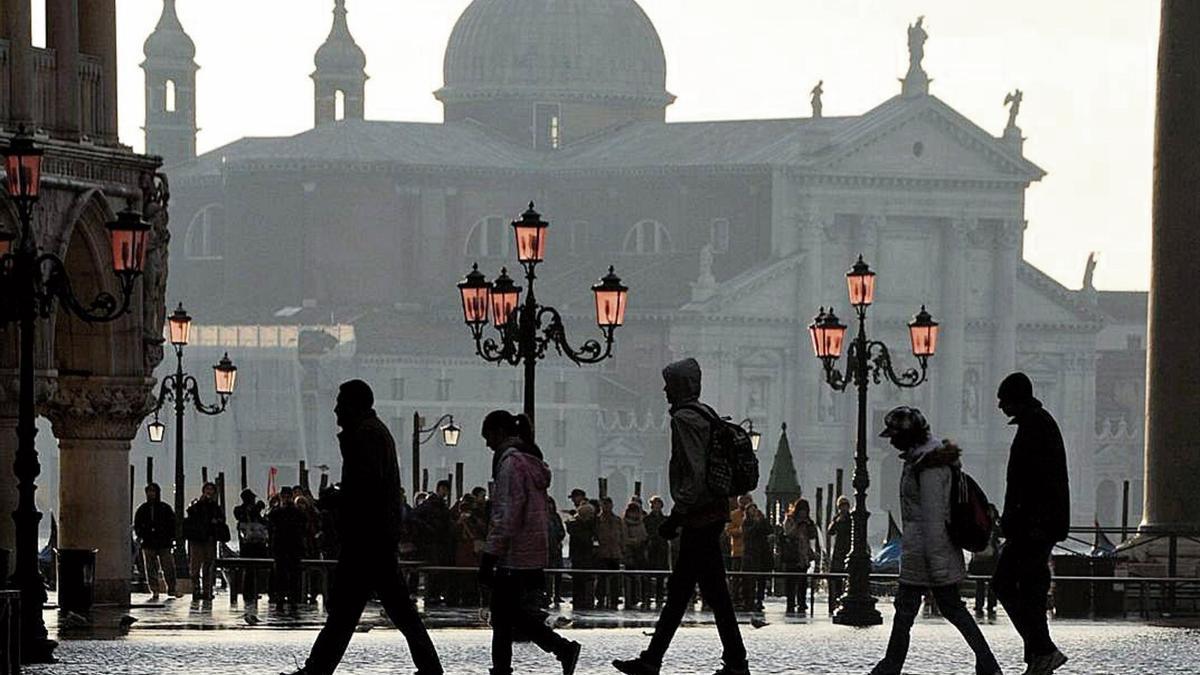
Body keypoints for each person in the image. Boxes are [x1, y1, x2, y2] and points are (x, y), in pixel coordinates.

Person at [282, 380, 442, 675]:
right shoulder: (374, 432)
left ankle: (316, 669)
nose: (335, 409)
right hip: (375, 536)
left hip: (366, 539)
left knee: (349, 612)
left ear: (354, 405)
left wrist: (337, 498)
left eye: (341, 402)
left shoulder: (365, 436)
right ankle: (429, 668)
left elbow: (365, 488)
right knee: (382, 611)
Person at [612, 358, 749, 675]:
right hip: (712, 512)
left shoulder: (685, 419)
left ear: (682, 386)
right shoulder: (707, 413)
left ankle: (659, 660)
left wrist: (677, 515)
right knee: (702, 591)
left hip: (698, 516)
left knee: (691, 592)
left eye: (669, 383)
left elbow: (694, 471)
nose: (664, 389)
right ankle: (728, 660)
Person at [868, 406, 1002, 675]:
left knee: (937, 611)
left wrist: (936, 564)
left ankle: (986, 662)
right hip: (923, 551)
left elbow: (932, 518)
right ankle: (985, 662)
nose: (892, 442)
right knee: (927, 612)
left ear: (909, 436)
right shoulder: (921, 461)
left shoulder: (928, 468)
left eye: (895, 436)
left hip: (927, 554)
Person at [477, 410, 582, 675]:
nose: (487, 444)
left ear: (499, 432)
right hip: (532, 550)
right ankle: (511, 665)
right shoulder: (531, 462)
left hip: (513, 553)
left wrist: (490, 554)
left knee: (506, 614)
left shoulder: (510, 465)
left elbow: (507, 514)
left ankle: (559, 648)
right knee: (506, 614)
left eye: (488, 437)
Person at [993, 372, 1070, 675]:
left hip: (1033, 527)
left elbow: (1034, 484)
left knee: (1003, 583)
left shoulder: (1036, 427)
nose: (1000, 406)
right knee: (1032, 591)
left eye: (1003, 400)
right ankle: (1038, 659)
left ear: (1015, 398)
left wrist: (1017, 521)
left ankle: (1044, 650)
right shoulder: (1037, 423)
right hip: (1035, 524)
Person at [184, 481, 228, 606]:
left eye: (211, 490)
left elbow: (221, 520)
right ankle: (196, 589)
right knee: (195, 567)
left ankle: (207, 591)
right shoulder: (196, 505)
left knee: (208, 566)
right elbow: (191, 515)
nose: (209, 492)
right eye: (207, 489)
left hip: (209, 539)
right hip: (197, 540)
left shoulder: (216, 508)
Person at [133, 483, 177, 601]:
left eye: (153, 491)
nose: (151, 494)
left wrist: (171, 537)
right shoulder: (142, 509)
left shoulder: (165, 508)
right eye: (149, 492)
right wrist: (142, 534)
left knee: (168, 566)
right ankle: (155, 589)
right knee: (150, 567)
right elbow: (137, 525)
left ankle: (172, 588)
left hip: (164, 542)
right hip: (148, 542)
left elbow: (173, 524)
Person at [269, 486, 308, 613]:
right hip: (287, 547)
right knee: (287, 575)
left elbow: (270, 521)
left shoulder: (282, 512)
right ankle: (288, 600)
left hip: (287, 547)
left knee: (287, 575)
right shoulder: (295, 512)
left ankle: (287, 600)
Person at [780, 498, 818, 615]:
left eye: (805, 511)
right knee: (790, 583)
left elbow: (813, 536)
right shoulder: (790, 519)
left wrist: (810, 524)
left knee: (802, 583)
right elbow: (788, 533)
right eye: (801, 510)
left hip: (803, 556)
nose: (803, 513)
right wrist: (797, 524)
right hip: (792, 555)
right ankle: (790, 604)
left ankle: (802, 603)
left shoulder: (807, 522)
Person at [234, 488, 269, 607]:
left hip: (258, 545)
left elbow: (264, 523)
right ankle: (248, 593)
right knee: (249, 571)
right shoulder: (240, 510)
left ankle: (255, 591)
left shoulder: (256, 513)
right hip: (247, 546)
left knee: (257, 571)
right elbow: (242, 517)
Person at [970, 504, 1002, 619]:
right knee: (988, 583)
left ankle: (980, 605)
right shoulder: (994, 527)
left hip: (980, 559)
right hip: (991, 559)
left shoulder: (979, 525)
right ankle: (990, 605)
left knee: (981, 583)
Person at [595, 496, 626, 610]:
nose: (606, 507)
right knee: (601, 578)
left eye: (608, 504)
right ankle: (600, 598)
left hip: (615, 553)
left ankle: (614, 598)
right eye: (604, 504)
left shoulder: (617, 520)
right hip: (602, 553)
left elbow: (622, 535)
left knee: (615, 578)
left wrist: (622, 549)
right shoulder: (598, 520)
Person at [741, 503, 771, 612]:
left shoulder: (762, 521)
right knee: (750, 579)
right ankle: (749, 600)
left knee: (761, 579)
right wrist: (756, 524)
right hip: (751, 554)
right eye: (751, 510)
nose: (753, 512)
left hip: (762, 554)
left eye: (755, 509)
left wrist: (763, 520)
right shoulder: (746, 523)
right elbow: (748, 534)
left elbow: (769, 530)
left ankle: (760, 599)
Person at [567, 499, 597, 609]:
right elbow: (583, 540)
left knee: (588, 581)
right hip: (579, 557)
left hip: (588, 558)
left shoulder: (589, 525)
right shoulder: (576, 526)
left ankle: (588, 602)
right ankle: (579, 602)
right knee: (579, 582)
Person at [642, 496, 670, 607]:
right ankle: (647, 596)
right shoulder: (647, 519)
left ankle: (659, 597)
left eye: (658, 504)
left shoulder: (665, 519)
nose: (656, 506)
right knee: (648, 574)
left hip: (662, 548)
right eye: (654, 504)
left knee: (661, 575)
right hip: (651, 548)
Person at [826, 496, 851, 614]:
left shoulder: (851, 519)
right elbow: (830, 531)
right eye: (841, 506)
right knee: (835, 578)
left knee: (846, 578)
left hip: (848, 551)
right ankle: (833, 604)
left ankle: (844, 601)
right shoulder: (837, 519)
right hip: (838, 552)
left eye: (845, 506)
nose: (843, 508)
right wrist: (836, 520)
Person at [622, 498, 648, 610]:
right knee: (629, 577)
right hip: (629, 552)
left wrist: (642, 541)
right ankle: (629, 599)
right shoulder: (624, 523)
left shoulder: (641, 522)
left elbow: (644, 535)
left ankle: (641, 598)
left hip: (640, 552)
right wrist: (634, 541)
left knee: (641, 576)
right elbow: (624, 537)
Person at [725, 495, 750, 608]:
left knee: (748, 578)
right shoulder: (734, 515)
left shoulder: (755, 514)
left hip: (750, 552)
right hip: (737, 551)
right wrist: (740, 531)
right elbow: (729, 530)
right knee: (736, 576)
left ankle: (747, 598)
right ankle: (735, 598)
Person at [547, 496, 567, 605]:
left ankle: (557, 595)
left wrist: (558, 539)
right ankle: (548, 594)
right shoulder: (542, 517)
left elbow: (561, 531)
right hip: (546, 549)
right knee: (548, 574)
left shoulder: (556, 517)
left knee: (558, 573)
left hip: (556, 548)